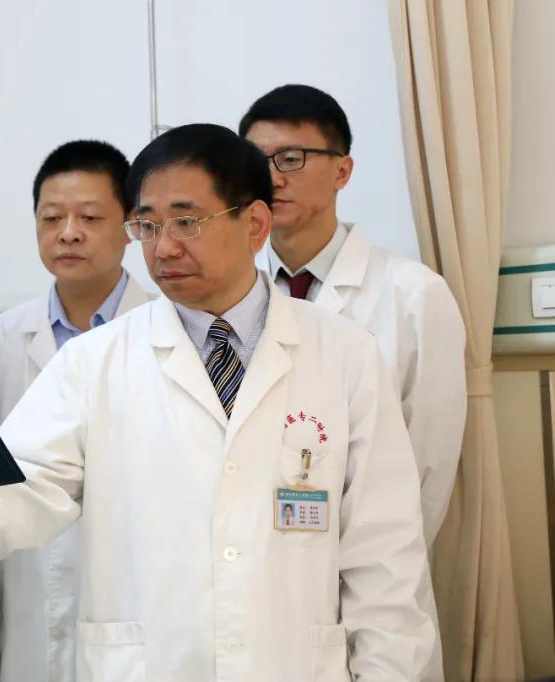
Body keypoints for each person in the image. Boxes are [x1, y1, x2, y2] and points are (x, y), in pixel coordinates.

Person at [0, 123, 434, 681]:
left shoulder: (344, 356)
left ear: (255, 224)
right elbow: (24, 484)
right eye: (147, 226)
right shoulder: (93, 361)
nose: (164, 247)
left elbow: (385, 556)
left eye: (187, 222)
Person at [239, 83, 467, 680]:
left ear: (342, 170)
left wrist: (367, 566)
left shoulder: (412, 295)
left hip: (376, 578)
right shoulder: (235, 300)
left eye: (291, 158)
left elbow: (429, 468)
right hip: (264, 580)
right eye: (257, 161)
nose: (272, 176)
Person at [0, 140, 153, 682]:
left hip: (140, 601)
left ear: (130, 226)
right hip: (26, 598)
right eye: (52, 218)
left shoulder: (167, 335)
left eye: (90, 217)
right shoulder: (1, 339)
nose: (69, 233)